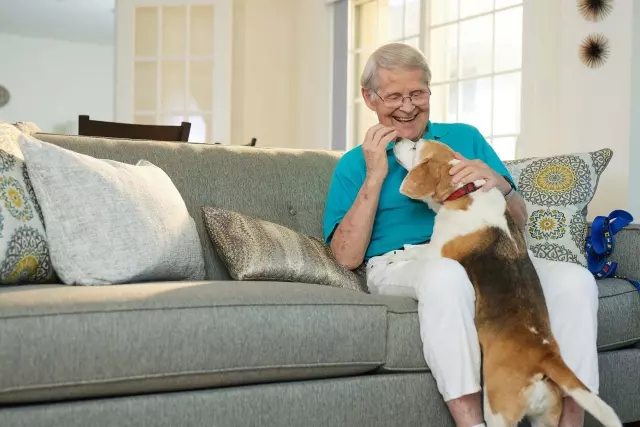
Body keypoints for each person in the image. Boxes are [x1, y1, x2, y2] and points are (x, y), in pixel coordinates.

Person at [323, 42, 599, 427]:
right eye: (394, 96)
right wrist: (375, 175)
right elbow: (346, 258)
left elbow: (519, 220)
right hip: (406, 262)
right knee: (445, 274)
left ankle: (568, 421)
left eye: (417, 93)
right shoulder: (353, 164)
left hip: (491, 251)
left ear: (430, 92)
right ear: (370, 99)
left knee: (574, 280)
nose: (408, 106)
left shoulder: (465, 138)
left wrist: (500, 184)